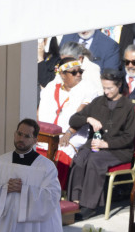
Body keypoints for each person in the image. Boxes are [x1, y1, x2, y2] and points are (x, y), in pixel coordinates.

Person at [66, 70, 135, 219]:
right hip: (94, 145)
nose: (106, 92)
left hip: (119, 150)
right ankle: (75, 200)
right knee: (80, 157)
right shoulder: (98, 102)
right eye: (104, 88)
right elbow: (73, 120)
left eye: (109, 88)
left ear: (119, 85)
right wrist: (88, 119)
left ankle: (89, 205)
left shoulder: (128, 107)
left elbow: (128, 137)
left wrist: (106, 144)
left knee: (95, 160)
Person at [38, 56, 100, 187]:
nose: (78, 75)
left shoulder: (88, 88)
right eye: (74, 72)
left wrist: (68, 134)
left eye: (80, 71)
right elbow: (39, 112)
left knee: (61, 151)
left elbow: (82, 114)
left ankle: (55, 190)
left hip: (73, 134)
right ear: (62, 74)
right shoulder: (51, 87)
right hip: (48, 133)